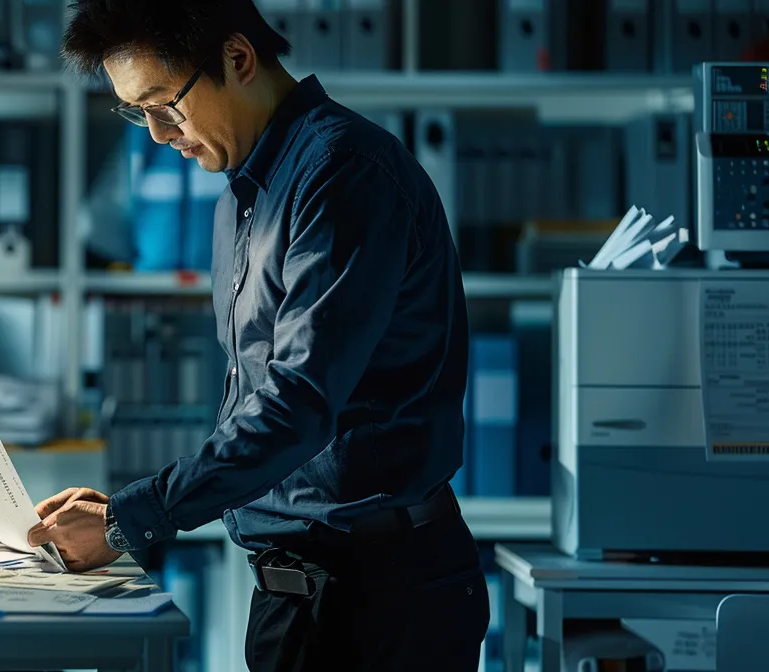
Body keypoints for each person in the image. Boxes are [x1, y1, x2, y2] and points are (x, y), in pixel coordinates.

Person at [26, 1, 487, 670]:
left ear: (238, 59)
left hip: (380, 597)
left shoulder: (342, 175)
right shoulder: (242, 195)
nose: (157, 135)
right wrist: (124, 507)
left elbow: (297, 403)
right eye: (137, 112)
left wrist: (130, 520)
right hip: (300, 591)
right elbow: (255, 403)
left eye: (164, 106)